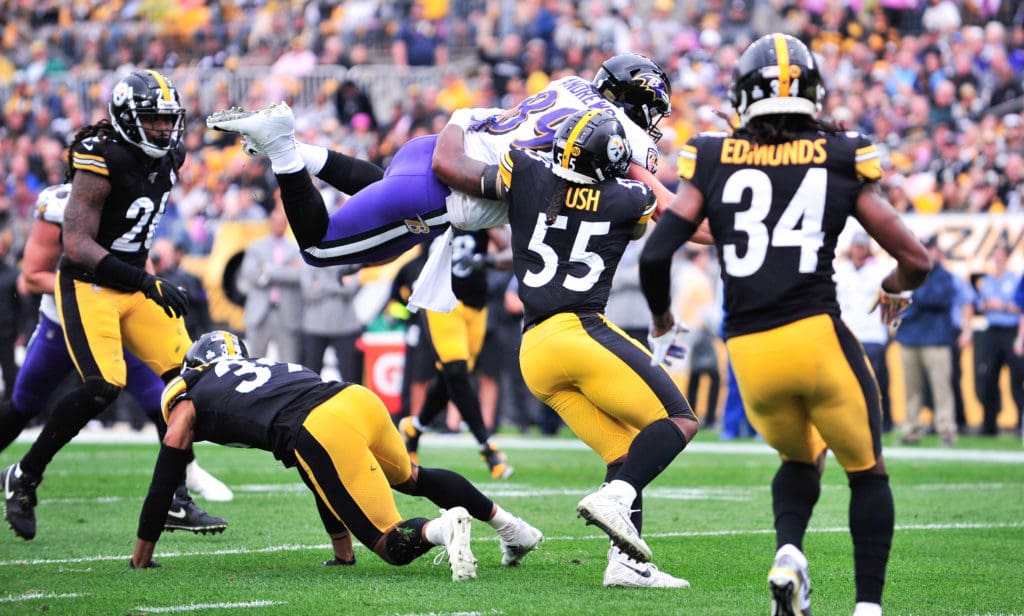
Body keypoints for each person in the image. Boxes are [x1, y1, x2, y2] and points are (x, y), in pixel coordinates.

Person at [638, 34, 932, 616]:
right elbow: (916, 260)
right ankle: (868, 607)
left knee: (799, 459)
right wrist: (892, 289)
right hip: (817, 337)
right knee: (868, 472)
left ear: (743, 96)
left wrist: (663, 320)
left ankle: (790, 556)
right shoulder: (843, 153)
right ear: (814, 93)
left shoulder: (714, 155)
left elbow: (655, 255)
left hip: (750, 353)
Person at [204, 54, 695, 289]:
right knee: (318, 247)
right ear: (635, 100)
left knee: (381, 202)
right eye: (652, 108)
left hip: (429, 154)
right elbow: (659, 209)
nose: (653, 122)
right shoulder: (620, 135)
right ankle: (283, 147)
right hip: (440, 190)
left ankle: (302, 151)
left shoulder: (569, 85)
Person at [1, 70, 227, 540]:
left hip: (129, 285)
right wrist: (148, 280)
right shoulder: (99, 159)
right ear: (126, 119)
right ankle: (25, 475)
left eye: (169, 121)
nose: (165, 131)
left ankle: (175, 499)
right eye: (153, 121)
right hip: (88, 285)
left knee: (188, 385)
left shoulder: (170, 156)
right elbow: (78, 245)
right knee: (103, 385)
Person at [130, 331, 543, 579]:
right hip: (355, 398)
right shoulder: (264, 369)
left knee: (390, 544)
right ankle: (513, 529)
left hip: (320, 427)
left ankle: (444, 529)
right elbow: (315, 474)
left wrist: (141, 559)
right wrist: (342, 553)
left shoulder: (189, 393)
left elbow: (166, 477)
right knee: (412, 477)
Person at [502, 109, 699, 588]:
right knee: (679, 419)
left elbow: (500, 164)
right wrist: (630, 165)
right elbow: (643, 224)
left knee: (624, 451)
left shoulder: (527, 173)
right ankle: (618, 496)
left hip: (533, 350)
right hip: (578, 329)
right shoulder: (628, 197)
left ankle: (626, 565)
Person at [0, 184, 233, 503]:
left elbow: (141, 265)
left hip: (120, 319)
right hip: (63, 318)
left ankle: (182, 489)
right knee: (24, 404)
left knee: (162, 398)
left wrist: (147, 293)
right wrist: (94, 291)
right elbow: (30, 276)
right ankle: (25, 474)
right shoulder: (60, 205)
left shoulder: (132, 196)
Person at [399, 227, 515, 479]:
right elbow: (397, 237)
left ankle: (414, 429)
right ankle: (487, 446)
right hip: (443, 302)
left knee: (452, 377)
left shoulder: (482, 208)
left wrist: (486, 260)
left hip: (477, 305)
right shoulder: (432, 204)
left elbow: (511, 250)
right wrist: (363, 262)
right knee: (456, 370)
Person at [893, 235, 958, 447]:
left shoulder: (944, 277)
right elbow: (900, 303)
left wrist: (914, 292)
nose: (927, 253)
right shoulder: (909, 274)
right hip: (911, 337)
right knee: (911, 389)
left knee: (941, 389)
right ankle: (911, 429)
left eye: (929, 249)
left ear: (937, 252)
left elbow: (936, 299)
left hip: (936, 340)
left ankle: (946, 430)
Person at [835, 231, 894, 432]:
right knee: (847, 381)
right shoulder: (840, 270)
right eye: (856, 246)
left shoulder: (880, 271)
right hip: (848, 333)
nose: (859, 250)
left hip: (872, 335)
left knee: (873, 382)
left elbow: (897, 297)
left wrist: (889, 326)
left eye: (862, 246)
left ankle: (877, 421)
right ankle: (852, 419)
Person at [236, 203, 304, 363]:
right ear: (270, 223)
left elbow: (299, 275)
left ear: (286, 224)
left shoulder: (295, 248)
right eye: (275, 221)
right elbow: (250, 273)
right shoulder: (256, 247)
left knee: (289, 363)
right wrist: (284, 268)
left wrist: (269, 270)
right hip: (260, 313)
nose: (278, 225)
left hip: (286, 313)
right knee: (254, 362)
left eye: (282, 222)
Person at [968, 242, 1023, 435]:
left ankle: (1019, 423)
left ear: (1007, 257)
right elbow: (980, 305)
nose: (997, 259)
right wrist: (990, 305)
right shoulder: (987, 280)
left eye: (1000, 255)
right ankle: (989, 424)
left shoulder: (1015, 279)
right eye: (995, 255)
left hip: (1011, 330)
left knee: (1017, 378)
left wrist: (1000, 305)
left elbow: (1019, 307)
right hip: (991, 331)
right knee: (988, 376)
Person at [149, 238, 213, 340]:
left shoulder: (188, 279)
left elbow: (202, 307)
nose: (159, 258)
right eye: (157, 253)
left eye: (163, 254)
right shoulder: (148, 281)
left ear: (172, 255)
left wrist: (207, 333)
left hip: (187, 333)